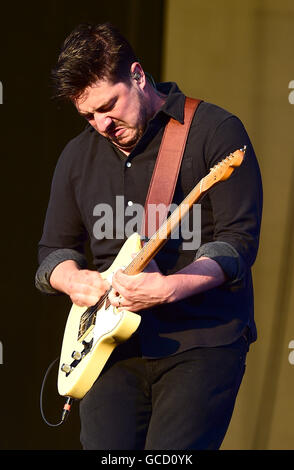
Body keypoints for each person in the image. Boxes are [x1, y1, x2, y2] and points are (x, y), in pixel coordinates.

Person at [35, 22, 263, 450]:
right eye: (88, 115)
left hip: (200, 341)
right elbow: (53, 251)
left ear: (138, 76)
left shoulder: (214, 132)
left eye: (109, 106)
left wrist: (169, 289)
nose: (102, 124)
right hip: (109, 348)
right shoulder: (76, 156)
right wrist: (72, 278)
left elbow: (237, 242)